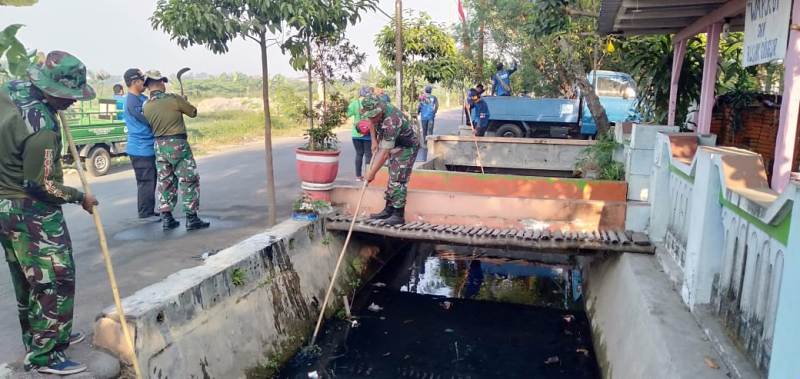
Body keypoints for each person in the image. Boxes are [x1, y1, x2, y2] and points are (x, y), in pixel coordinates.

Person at [0, 50, 99, 375]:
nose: (72, 102)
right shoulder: (42, 128)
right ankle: (46, 356)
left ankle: (43, 337)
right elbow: (41, 186)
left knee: (27, 279)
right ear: (51, 89)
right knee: (55, 279)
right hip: (31, 210)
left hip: (5, 206)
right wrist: (79, 196)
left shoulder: (11, 91)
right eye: (68, 96)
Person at [142, 70, 210, 231]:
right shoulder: (173, 99)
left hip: (159, 145)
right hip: (177, 143)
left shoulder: (146, 106)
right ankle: (192, 218)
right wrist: (183, 102)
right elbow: (193, 112)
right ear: (159, 83)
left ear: (147, 87)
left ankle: (167, 218)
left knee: (165, 181)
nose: (164, 85)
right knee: (189, 179)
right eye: (163, 82)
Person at [362, 95, 419, 226]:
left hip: (407, 146)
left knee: (398, 178)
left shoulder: (392, 121)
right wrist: (374, 141)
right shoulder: (374, 107)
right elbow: (371, 122)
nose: (372, 118)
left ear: (380, 111)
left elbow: (383, 154)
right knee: (392, 175)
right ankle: (389, 210)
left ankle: (398, 214)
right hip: (394, 143)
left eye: (374, 116)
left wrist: (371, 173)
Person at [122, 69, 159, 219]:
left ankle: (148, 210)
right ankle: (145, 212)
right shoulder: (132, 101)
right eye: (141, 81)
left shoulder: (141, 98)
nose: (144, 83)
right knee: (146, 181)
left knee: (151, 180)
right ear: (134, 82)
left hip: (146, 147)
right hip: (140, 148)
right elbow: (149, 119)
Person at [347, 86, 372, 181]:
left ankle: (358, 176)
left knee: (359, 154)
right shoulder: (370, 103)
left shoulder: (354, 103)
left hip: (356, 133)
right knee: (368, 154)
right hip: (368, 133)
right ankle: (367, 176)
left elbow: (347, 114)